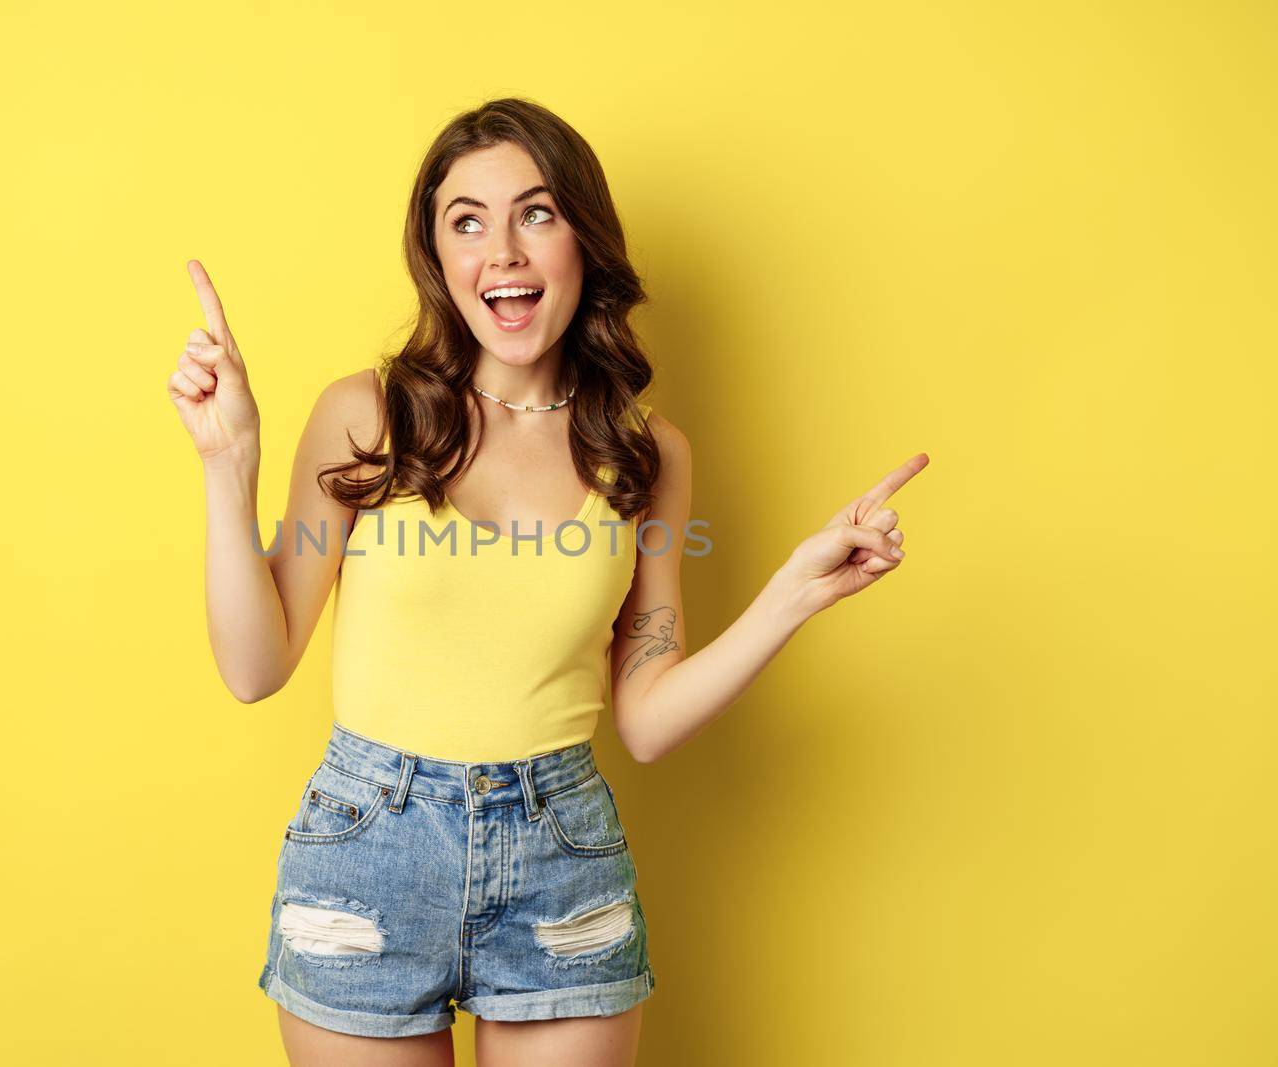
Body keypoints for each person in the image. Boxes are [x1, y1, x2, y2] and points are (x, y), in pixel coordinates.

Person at [167, 96, 927, 1067]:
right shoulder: (366, 415)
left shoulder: (647, 453)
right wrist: (226, 465)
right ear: (439, 259)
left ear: (583, 239)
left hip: (558, 857)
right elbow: (253, 663)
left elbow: (646, 717)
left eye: (535, 212)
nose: (504, 252)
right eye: (467, 221)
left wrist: (796, 591)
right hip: (366, 851)